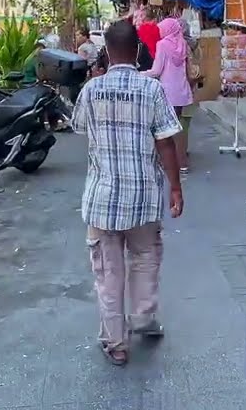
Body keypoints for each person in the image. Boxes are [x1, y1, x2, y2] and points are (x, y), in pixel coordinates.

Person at [71, 20, 185, 366]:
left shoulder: (91, 90)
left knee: (108, 273)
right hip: (143, 197)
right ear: (137, 50)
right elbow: (166, 144)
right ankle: (143, 319)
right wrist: (175, 187)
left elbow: (80, 128)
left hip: (102, 199)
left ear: (107, 51)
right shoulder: (152, 89)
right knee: (145, 259)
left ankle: (116, 343)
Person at [143, 17, 194, 174]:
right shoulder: (183, 44)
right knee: (178, 128)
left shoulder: (162, 44)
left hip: (167, 92)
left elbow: (156, 71)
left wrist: (139, 74)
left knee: (164, 130)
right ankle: (182, 163)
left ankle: (166, 162)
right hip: (182, 91)